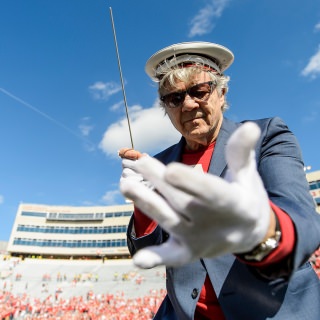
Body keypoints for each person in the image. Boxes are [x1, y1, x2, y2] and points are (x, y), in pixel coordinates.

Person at [119, 41, 320, 319]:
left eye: (199, 91)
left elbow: (302, 218)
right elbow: (149, 253)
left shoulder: (265, 136)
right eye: (175, 98)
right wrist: (143, 206)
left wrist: (262, 230)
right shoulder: (158, 164)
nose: (188, 105)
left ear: (222, 92)